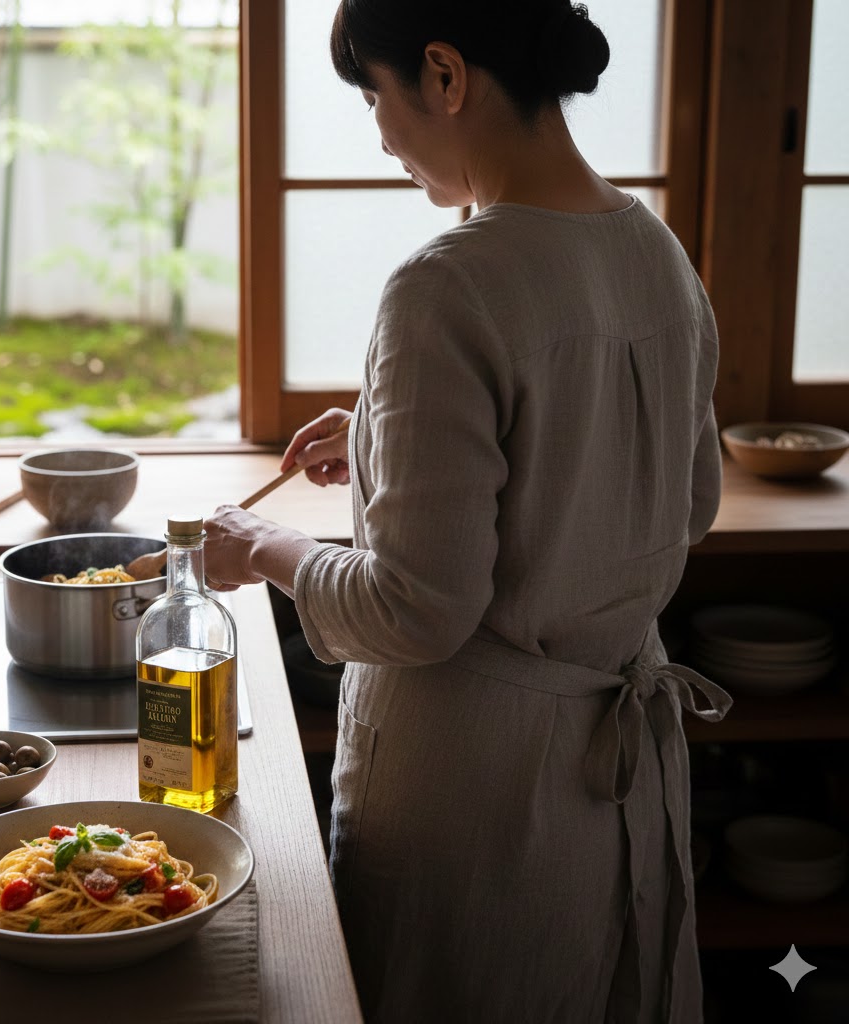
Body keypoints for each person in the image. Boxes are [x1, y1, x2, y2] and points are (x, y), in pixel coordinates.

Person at [204, 1, 732, 1020]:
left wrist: (261, 543)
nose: (377, 128)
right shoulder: (656, 253)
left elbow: (416, 609)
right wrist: (382, 440)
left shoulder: (445, 285)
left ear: (444, 76)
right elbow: (684, 503)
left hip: (479, 788)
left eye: (374, 93)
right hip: (614, 773)